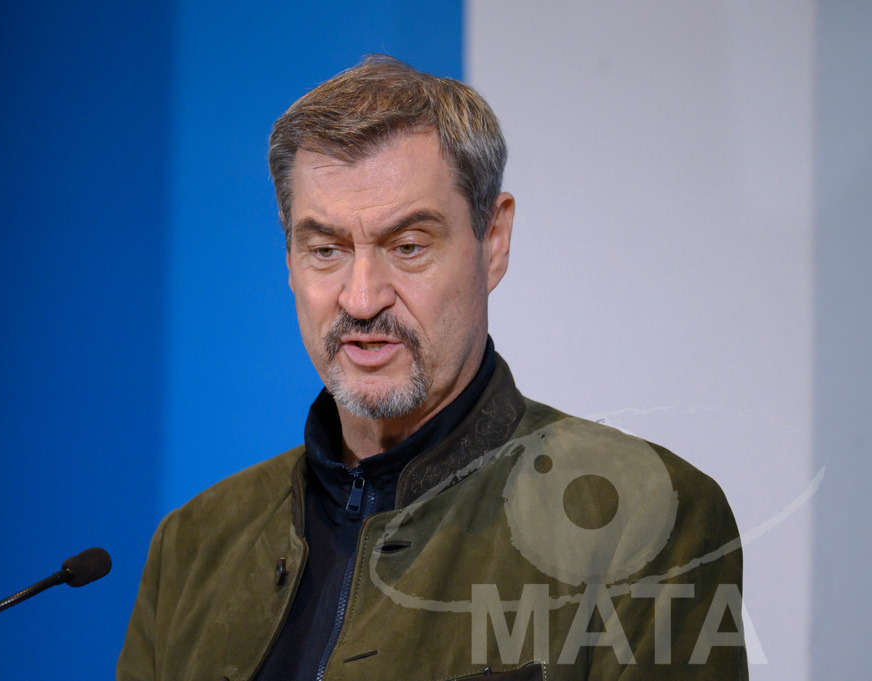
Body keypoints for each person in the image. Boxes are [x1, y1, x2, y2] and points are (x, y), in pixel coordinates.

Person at [117, 55, 748, 681]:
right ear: (289, 258)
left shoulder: (643, 520)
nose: (361, 299)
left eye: (409, 246)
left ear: (493, 242)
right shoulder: (192, 547)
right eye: (326, 249)